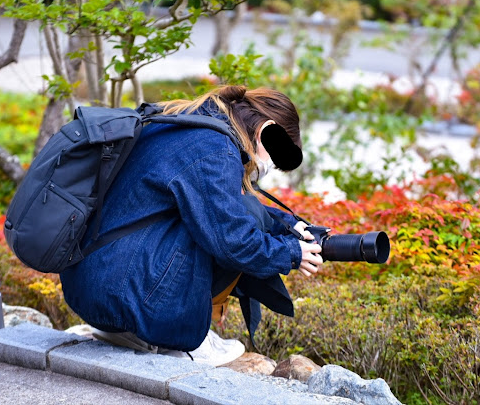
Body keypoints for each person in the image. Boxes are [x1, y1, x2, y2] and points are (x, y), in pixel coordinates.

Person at [59, 85, 323, 365]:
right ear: (265, 132)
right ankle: (175, 336)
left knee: (236, 213)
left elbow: (220, 204)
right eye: (274, 155)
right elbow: (234, 240)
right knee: (240, 223)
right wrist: (293, 253)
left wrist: (290, 226)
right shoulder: (214, 150)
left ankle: (129, 332)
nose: (268, 166)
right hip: (127, 301)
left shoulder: (183, 120)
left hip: (91, 287)